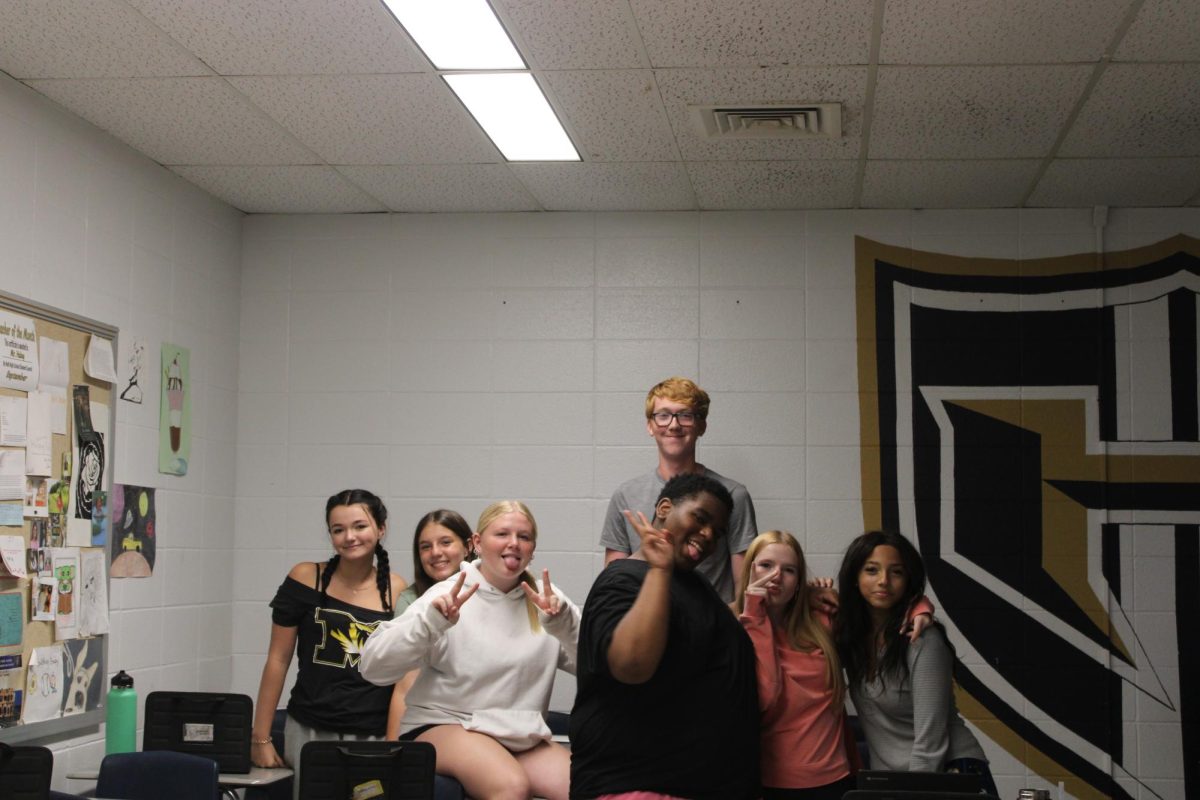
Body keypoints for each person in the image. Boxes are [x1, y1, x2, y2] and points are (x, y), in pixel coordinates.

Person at [360, 501, 579, 800]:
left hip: (516, 735)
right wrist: (430, 624)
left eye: (524, 537)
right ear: (477, 542)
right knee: (510, 786)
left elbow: (599, 665)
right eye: (502, 533)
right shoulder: (447, 594)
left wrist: (563, 624)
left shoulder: (548, 600)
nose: (513, 543)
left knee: (589, 786)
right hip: (444, 725)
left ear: (533, 548)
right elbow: (373, 666)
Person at [571, 473, 759, 800]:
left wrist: (802, 600)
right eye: (700, 518)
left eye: (718, 532)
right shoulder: (624, 578)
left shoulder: (694, 584)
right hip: (641, 786)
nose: (708, 535)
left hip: (713, 785)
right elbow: (631, 665)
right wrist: (659, 569)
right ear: (664, 507)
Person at [250, 489, 407, 796]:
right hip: (309, 727)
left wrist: (393, 742)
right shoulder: (306, 577)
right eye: (338, 529)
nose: (349, 536)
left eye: (359, 526)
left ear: (381, 528)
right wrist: (261, 737)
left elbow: (403, 677)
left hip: (372, 733)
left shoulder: (398, 590)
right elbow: (277, 659)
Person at [834, 530, 998, 797]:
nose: (883, 581)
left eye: (896, 572)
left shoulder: (922, 640)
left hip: (946, 773)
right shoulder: (853, 638)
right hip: (895, 779)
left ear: (908, 579)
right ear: (855, 577)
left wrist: (913, 793)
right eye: (872, 570)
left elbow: (930, 739)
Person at [599, 376, 758, 602]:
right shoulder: (625, 496)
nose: (673, 425)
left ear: (701, 426)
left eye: (685, 415)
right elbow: (614, 583)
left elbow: (745, 588)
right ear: (650, 426)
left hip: (711, 629)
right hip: (648, 627)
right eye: (663, 416)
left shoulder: (732, 495)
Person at [734, 531, 857, 800]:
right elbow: (765, 697)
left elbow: (882, 614)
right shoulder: (735, 626)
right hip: (772, 783)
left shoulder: (822, 619)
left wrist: (920, 606)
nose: (776, 576)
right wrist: (755, 612)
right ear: (749, 569)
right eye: (766, 565)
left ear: (799, 581)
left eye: (789, 570)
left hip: (835, 778)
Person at [395, 508, 475, 615]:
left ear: (467, 547)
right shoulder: (409, 600)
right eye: (426, 547)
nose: (435, 552)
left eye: (445, 542)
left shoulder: (489, 591)